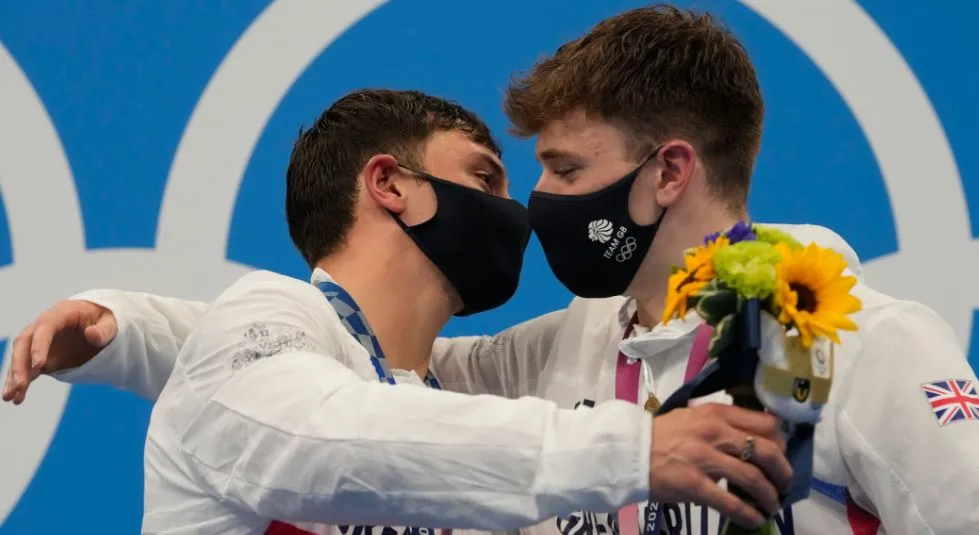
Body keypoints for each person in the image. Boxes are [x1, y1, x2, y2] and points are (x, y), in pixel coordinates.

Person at [7, 4, 978, 534]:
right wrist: (127, 325)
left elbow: (390, 380)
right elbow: (317, 404)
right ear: (389, 185)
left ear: (666, 173)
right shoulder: (559, 364)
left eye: (560, 171)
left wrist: (126, 328)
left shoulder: (860, 343)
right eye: (514, 176)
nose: (530, 209)